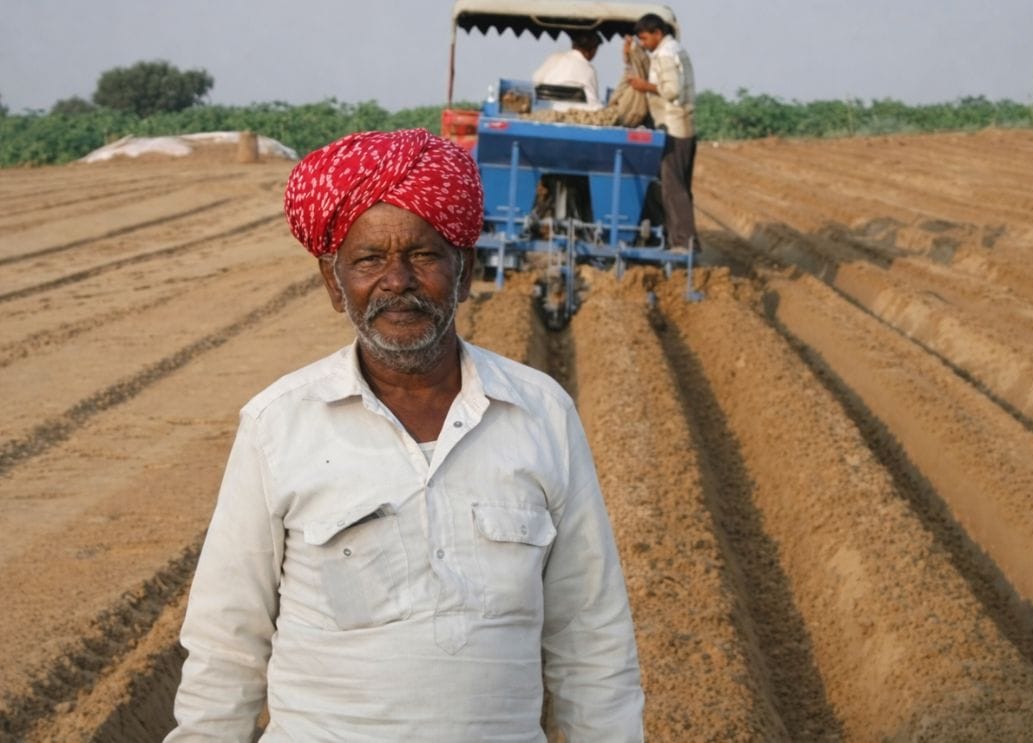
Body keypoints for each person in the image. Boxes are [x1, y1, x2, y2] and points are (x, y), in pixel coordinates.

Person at [165, 129, 644, 742]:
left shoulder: (540, 413)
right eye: (368, 261)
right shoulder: (278, 423)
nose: (397, 281)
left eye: (423, 256)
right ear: (333, 284)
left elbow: (591, 637)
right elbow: (226, 643)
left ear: (463, 272)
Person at [626, 14, 699, 253]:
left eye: (645, 39)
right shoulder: (672, 49)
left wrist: (643, 86)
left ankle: (683, 243)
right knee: (675, 185)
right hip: (681, 126)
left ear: (657, 32)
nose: (644, 44)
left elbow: (671, 90)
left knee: (673, 187)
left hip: (674, 127)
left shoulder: (666, 55)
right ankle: (674, 237)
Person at [532, 30, 604, 110]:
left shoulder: (555, 58)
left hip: (552, 110)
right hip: (577, 116)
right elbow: (593, 102)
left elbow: (536, 79)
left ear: (573, 45)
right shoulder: (588, 69)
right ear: (592, 51)